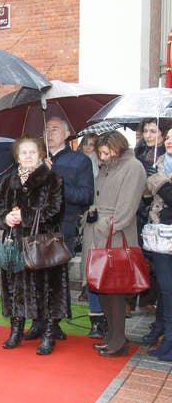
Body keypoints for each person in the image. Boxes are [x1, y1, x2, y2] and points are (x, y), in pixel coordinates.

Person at [0, 137, 69, 355]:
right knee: (15, 289)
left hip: (42, 245)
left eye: (32, 152)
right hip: (15, 244)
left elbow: (55, 210)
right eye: (23, 153)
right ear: (17, 157)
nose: (27, 156)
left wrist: (24, 216)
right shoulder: (9, 181)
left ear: (41, 155)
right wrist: (6, 219)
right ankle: (16, 331)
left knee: (47, 290)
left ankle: (48, 334)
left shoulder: (52, 179)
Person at [81, 131, 146, 358]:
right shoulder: (108, 167)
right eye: (100, 153)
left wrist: (107, 225)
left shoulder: (133, 167)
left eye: (106, 152)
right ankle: (112, 336)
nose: (102, 157)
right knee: (105, 290)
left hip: (117, 236)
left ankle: (119, 339)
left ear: (118, 148)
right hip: (100, 233)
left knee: (116, 291)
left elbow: (127, 208)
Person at [39, 116, 94, 340]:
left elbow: (85, 196)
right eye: (46, 129)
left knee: (56, 280)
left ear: (66, 133)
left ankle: (54, 324)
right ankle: (38, 321)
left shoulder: (79, 161)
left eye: (54, 129)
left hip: (62, 227)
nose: (49, 133)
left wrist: (55, 178)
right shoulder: (36, 158)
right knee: (36, 279)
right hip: (36, 228)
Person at [141, 128, 172, 357]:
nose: (169, 141)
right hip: (160, 236)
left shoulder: (162, 173)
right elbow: (147, 196)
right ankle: (163, 332)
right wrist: (149, 180)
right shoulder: (160, 162)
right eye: (168, 137)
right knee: (164, 289)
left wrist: (160, 183)